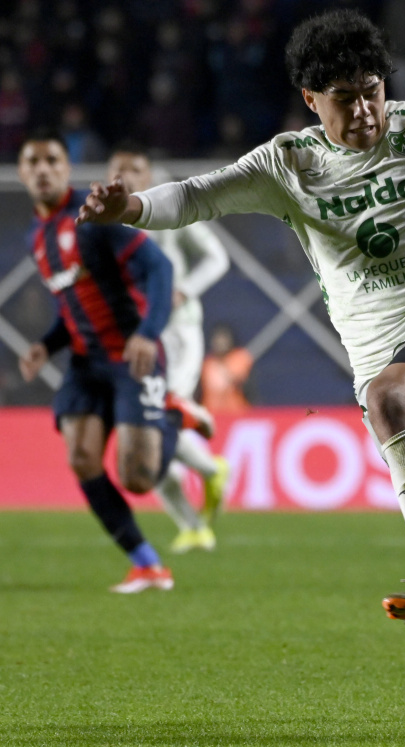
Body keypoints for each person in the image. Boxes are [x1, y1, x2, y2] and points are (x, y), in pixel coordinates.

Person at [77, 9, 405, 634]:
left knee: (390, 400)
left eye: (373, 91)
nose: (364, 112)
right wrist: (131, 207)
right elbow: (196, 196)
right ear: (310, 99)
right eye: (344, 99)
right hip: (381, 362)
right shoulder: (288, 165)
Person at [16, 129, 210, 593]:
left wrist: (148, 333)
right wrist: (47, 343)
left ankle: (170, 415)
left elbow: (159, 269)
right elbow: (74, 305)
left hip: (131, 356)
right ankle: (147, 564)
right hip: (86, 361)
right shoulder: (36, 237)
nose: (42, 169)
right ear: (22, 172)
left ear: (67, 168)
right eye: (33, 162)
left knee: (138, 479)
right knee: (82, 458)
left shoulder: (94, 217)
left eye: (51, 161)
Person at [107, 144, 231, 554]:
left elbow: (217, 257)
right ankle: (193, 526)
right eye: (119, 168)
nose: (126, 175)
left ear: (148, 176)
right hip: (135, 335)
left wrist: (184, 290)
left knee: (160, 409)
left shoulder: (167, 208)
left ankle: (210, 467)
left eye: (135, 168)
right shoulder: (101, 223)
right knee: (144, 425)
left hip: (177, 329)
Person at [200, 323, 254, 414]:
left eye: (223, 338)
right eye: (217, 339)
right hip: (211, 413)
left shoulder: (240, 358)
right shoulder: (206, 363)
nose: (220, 342)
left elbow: (243, 384)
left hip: (236, 413)